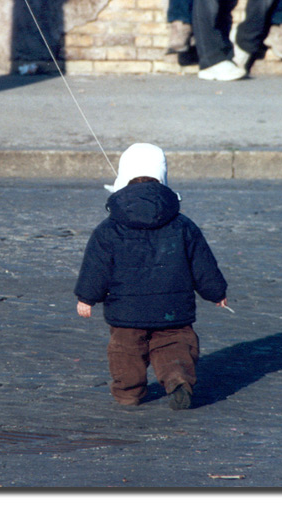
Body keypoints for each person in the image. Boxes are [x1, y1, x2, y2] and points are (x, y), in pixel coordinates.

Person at [74, 143, 228, 409]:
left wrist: (86, 298)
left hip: (126, 309)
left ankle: (128, 392)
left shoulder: (109, 228)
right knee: (176, 344)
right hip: (173, 307)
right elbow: (202, 263)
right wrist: (216, 292)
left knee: (126, 351)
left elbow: (96, 266)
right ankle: (178, 378)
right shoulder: (182, 224)